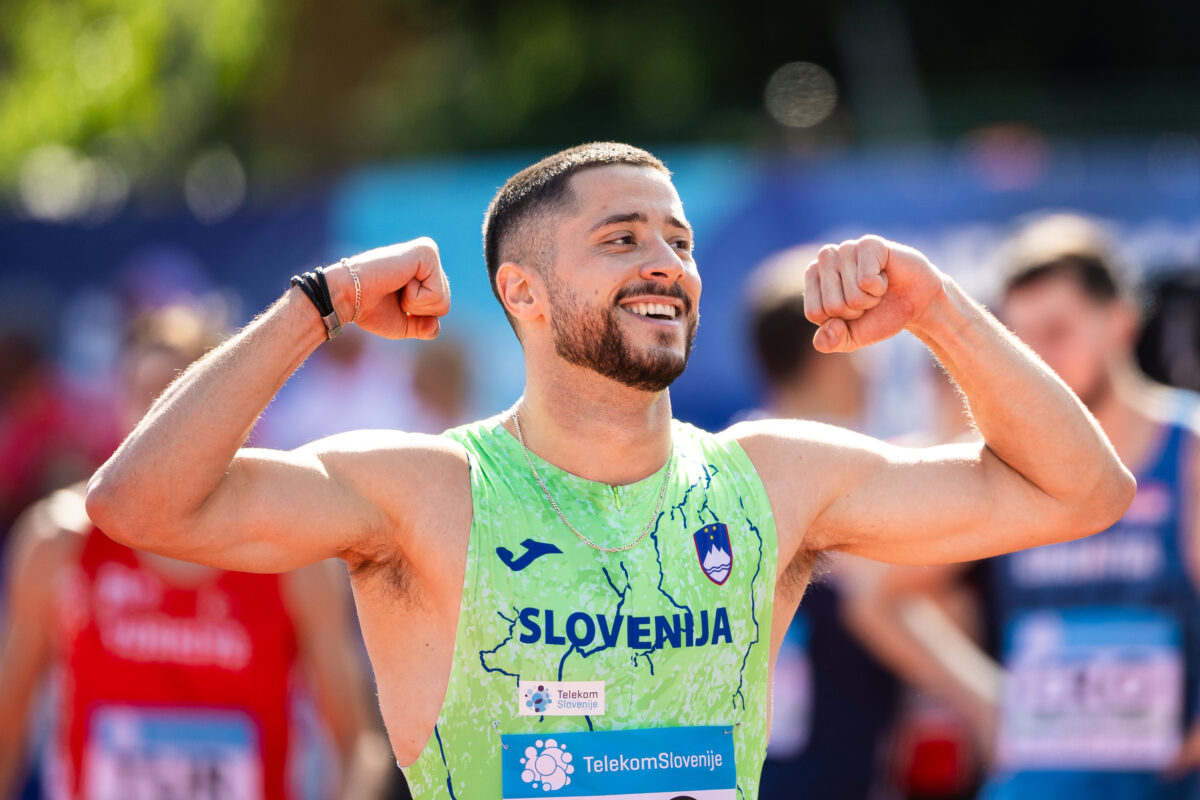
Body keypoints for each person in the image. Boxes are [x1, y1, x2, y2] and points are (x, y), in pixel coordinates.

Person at [83, 143, 1134, 800]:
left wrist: (938, 308)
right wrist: (319, 305)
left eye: (678, 239)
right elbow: (139, 504)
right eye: (622, 238)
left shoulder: (772, 479)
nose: (666, 262)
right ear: (524, 292)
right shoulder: (425, 491)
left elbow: (1082, 489)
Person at [859, 213, 1200, 799]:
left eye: (1058, 331)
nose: (1039, 359)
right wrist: (984, 701)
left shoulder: (1188, 450)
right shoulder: (1001, 459)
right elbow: (882, 603)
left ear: (1121, 321)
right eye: (1021, 339)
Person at [0, 305, 391, 800]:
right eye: (147, 395)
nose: (162, 419)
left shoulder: (295, 557)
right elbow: (7, 728)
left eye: (182, 395)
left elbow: (359, 747)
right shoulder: (59, 542)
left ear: (230, 408)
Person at [744, 245, 902, 800]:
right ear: (831, 347)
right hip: (826, 769)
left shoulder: (716, 470)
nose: (872, 367)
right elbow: (878, 604)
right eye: (864, 345)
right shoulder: (860, 478)